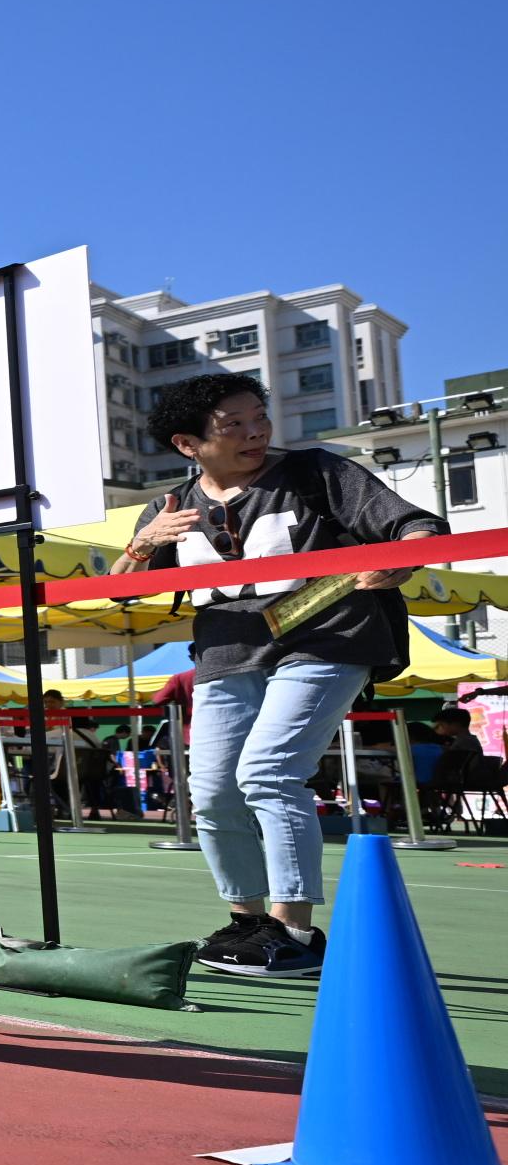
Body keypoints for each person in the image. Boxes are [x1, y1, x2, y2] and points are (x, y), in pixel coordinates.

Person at [112, 372, 442, 976]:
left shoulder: (317, 471)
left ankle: (296, 931)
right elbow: (122, 591)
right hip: (224, 654)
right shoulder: (170, 506)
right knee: (211, 791)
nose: (254, 431)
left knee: (268, 772)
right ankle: (248, 922)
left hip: (328, 639)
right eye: (232, 425)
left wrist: (399, 562)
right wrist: (140, 545)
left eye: (258, 416)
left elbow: (417, 526)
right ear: (189, 444)